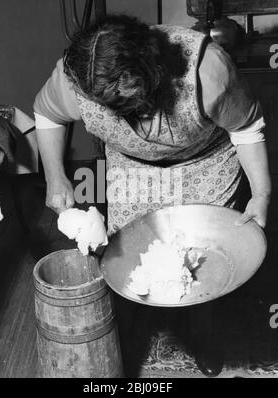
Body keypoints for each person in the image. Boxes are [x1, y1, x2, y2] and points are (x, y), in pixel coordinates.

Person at [34, 15, 271, 376]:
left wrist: (261, 193)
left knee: (200, 258)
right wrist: (56, 179)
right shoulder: (75, 79)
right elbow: (47, 113)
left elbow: (247, 126)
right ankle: (129, 330)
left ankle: (202, 333)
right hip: (132, 168)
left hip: (203, 162)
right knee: (128, 257)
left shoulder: (207, 70)